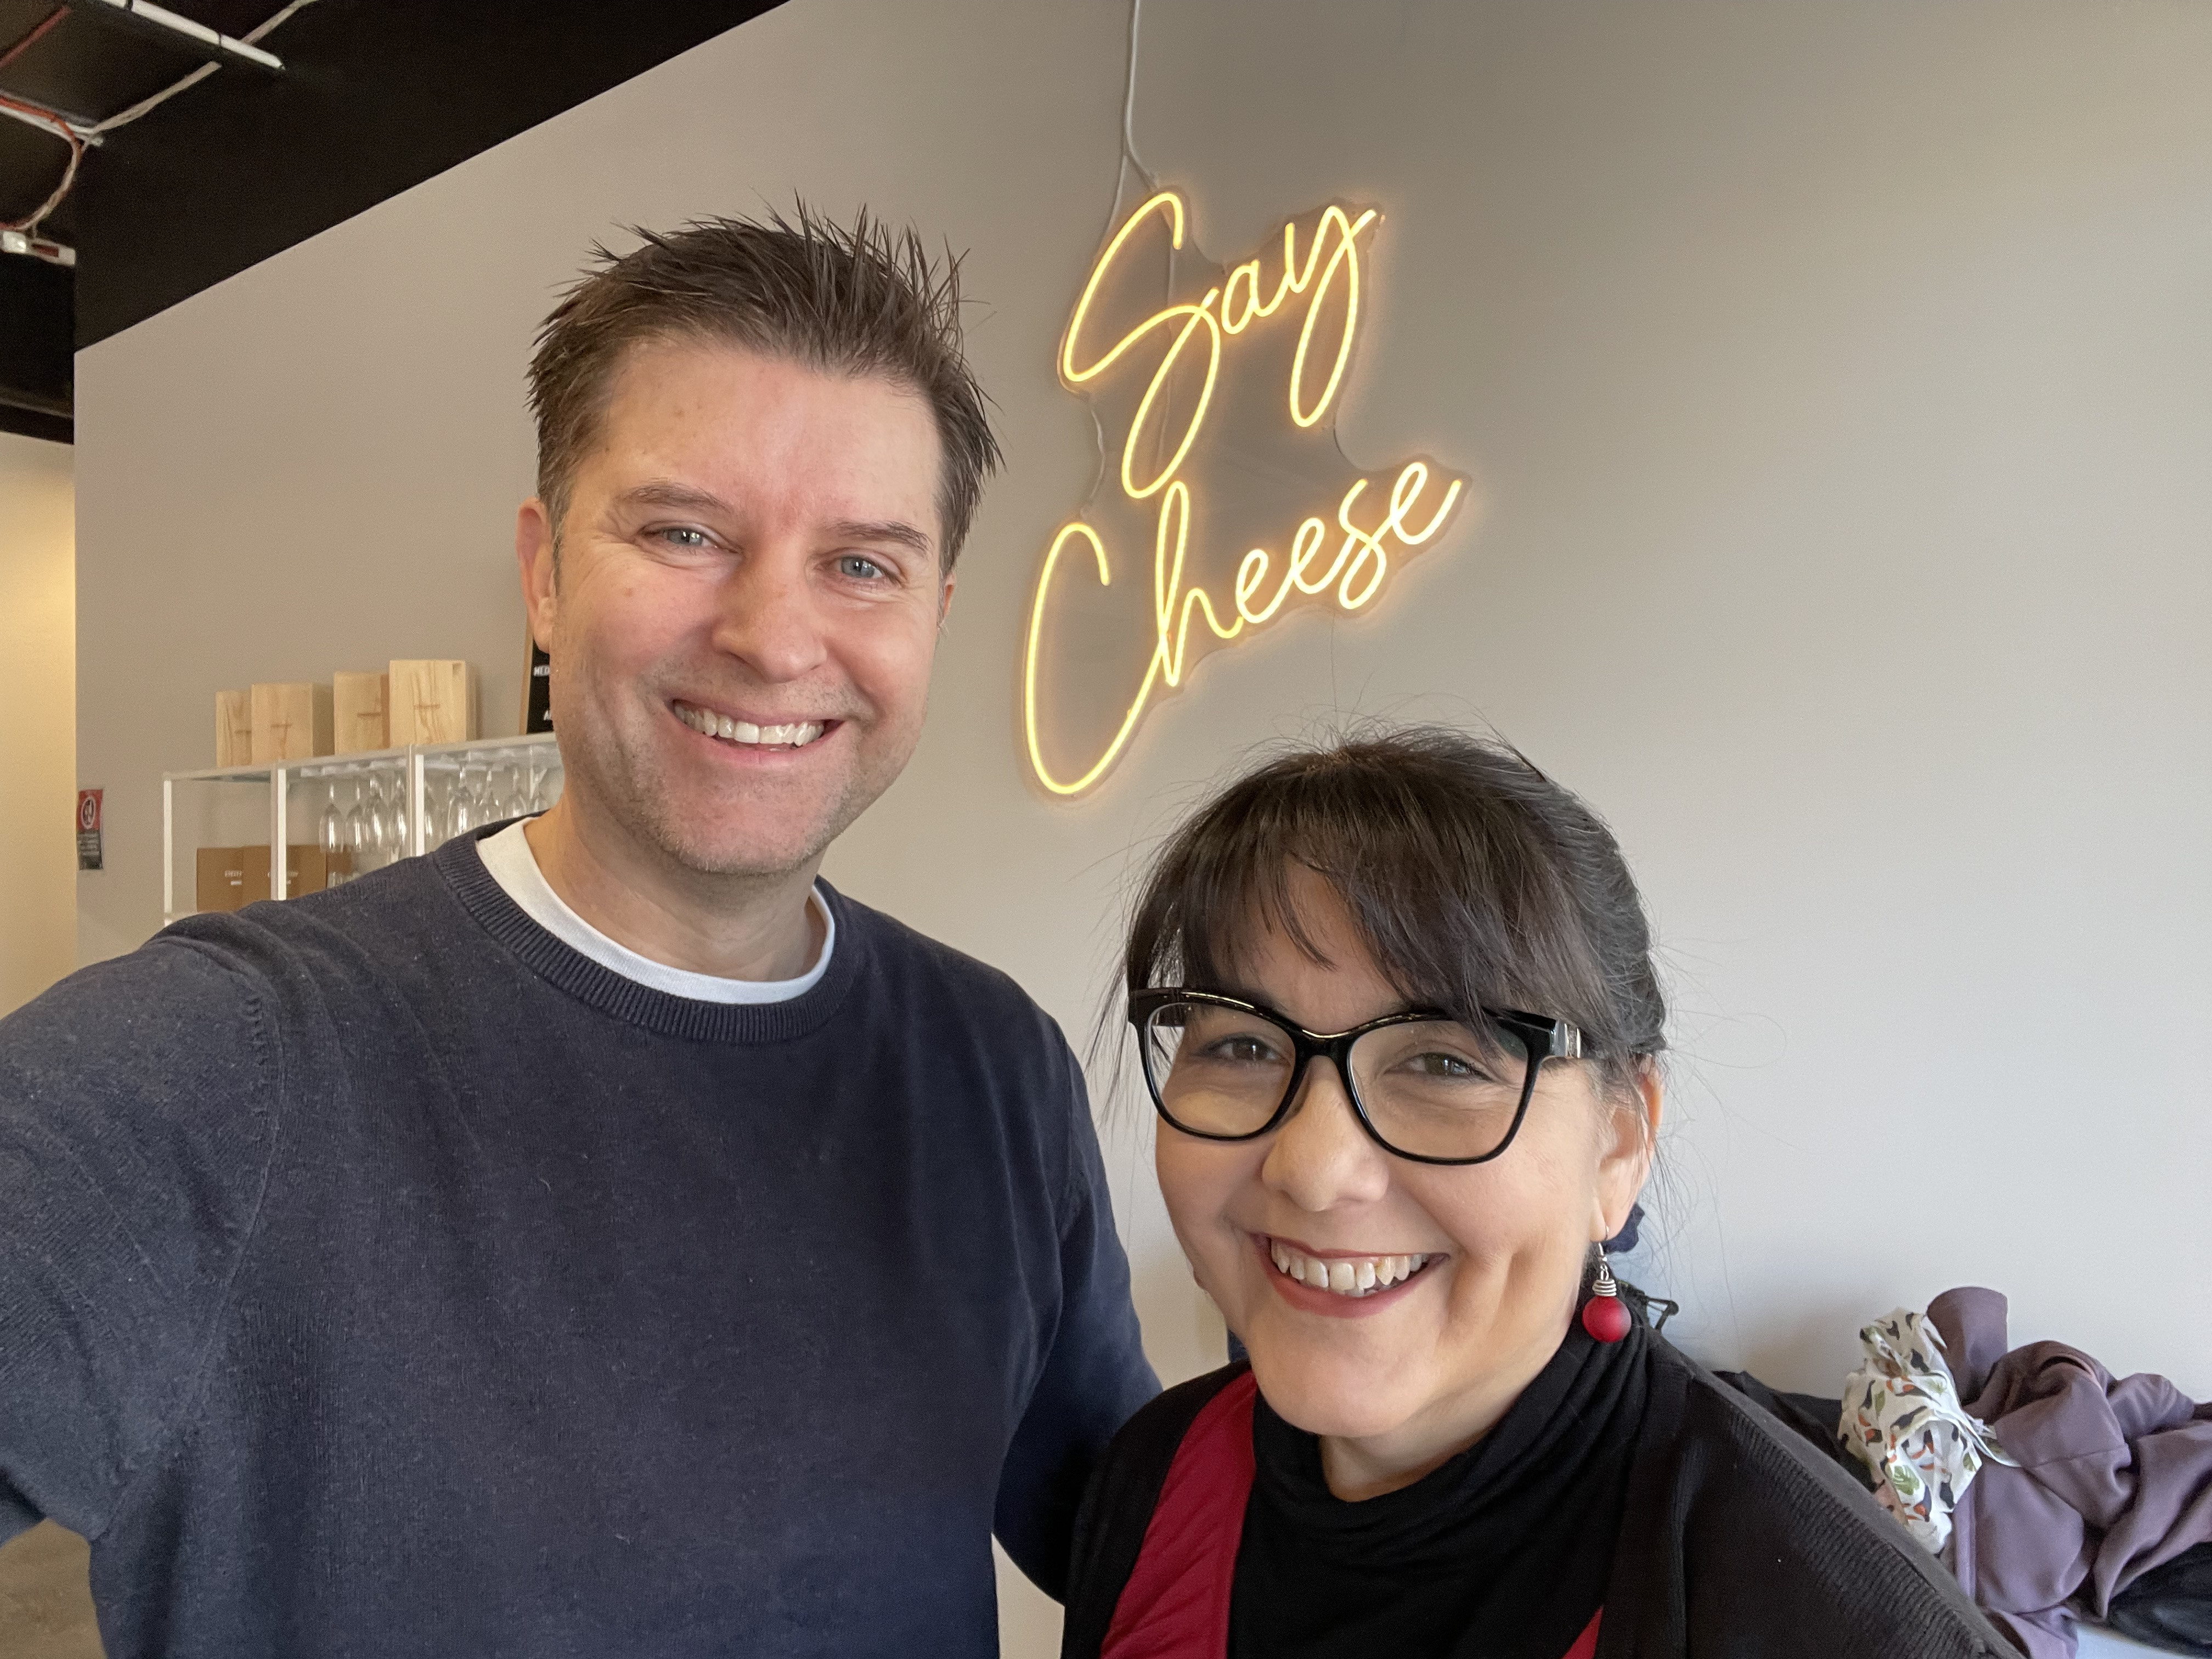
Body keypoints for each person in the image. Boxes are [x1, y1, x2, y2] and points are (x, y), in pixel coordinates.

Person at [0, 209, 1156, 1658]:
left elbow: (1151, 1539)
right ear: (545, 576)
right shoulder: (210, 1071)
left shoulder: (994, 1069)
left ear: (934, 608)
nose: (774, 637)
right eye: (683, 532)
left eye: (863, 565)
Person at [1060, 728, 2010, 1659]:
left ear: (1619, 1141)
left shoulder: (1830, 1619)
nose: (1310, 1168)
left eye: (1441, 1061)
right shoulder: (1151, 1475)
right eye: (1242, 1045)